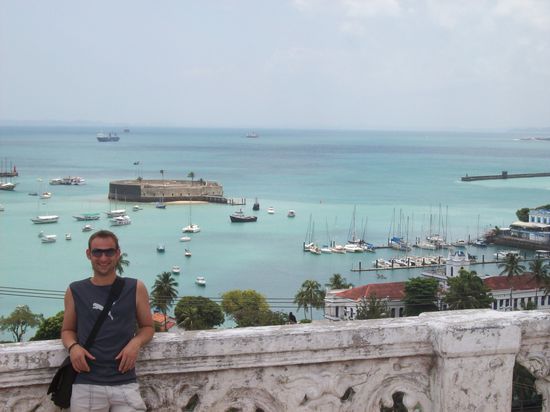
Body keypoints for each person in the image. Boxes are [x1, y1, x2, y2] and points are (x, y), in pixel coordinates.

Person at [61, 230, 154, 411]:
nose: (103, 258)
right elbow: (67, 330)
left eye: (109, 252)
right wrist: (73, 347)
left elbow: (148, 327)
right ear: (89, 254)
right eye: (97, 252)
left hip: (125, 381)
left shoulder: (135, 287)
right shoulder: (75, 290)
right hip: (86, 381)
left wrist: (135, 343)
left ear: (117, 254)